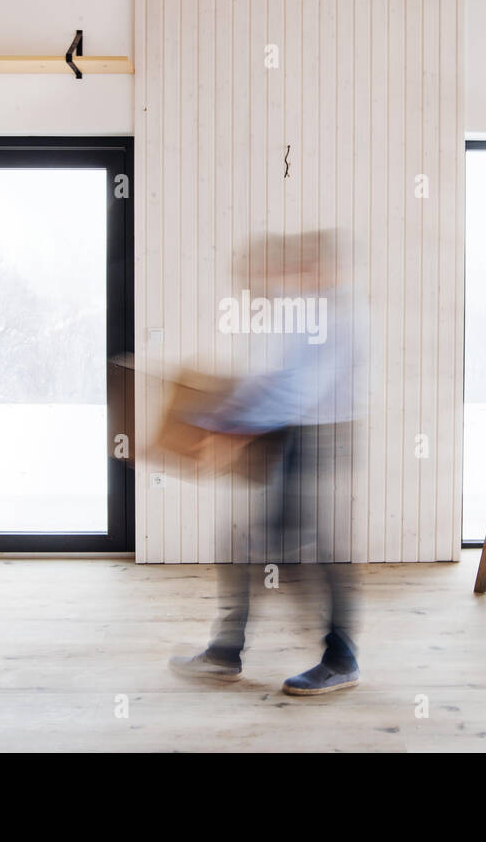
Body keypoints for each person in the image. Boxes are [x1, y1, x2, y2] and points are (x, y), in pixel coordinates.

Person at [169, 229, 365, 696]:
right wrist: (217, 415)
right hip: (292, 437)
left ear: (323, 266)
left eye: (301, 266)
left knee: (316, 555)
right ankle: (228, 650)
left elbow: (300, 389)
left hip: (322, 438)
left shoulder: (340, 314)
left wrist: (232, 428)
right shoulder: (298, 313)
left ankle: (339, 658)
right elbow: (270, 380)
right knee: (260, 546)